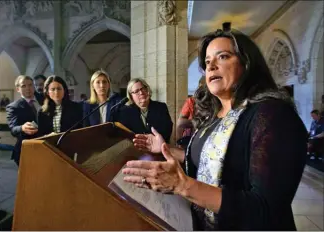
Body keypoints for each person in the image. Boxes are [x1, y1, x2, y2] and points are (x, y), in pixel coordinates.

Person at [121, 26, 308, 230]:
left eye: (223, 57)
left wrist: (183, 185)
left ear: (247, 63)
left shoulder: (272, 115)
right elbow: (209, 161)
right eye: (208, 62)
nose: (211, 67)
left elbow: (265, 209)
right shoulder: (214, 116)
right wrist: (167, 149)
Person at [112, 78, 173, 143]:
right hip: (135, 149)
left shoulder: (161, 107)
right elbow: (125, 135)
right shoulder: (125, 112)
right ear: (131, 96)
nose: (141, 92)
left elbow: (167, 129)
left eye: (143, 88)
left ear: (147, 90)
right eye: (136, 91)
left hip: (158, 147)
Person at [6, 75, 40, 166]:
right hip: (26, 149)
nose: (28, 88)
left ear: (34, 86)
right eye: (23, 86)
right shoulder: (14, 107)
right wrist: (22, 128)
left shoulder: (43, 100)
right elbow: (13, 129)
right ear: (18, 89)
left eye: (30, 85)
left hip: (46, 146)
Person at [176, 76, 206, 148]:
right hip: (192, 134)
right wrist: (179, 143)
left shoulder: (215, 101)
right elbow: (180, 123)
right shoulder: (191, 101)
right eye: (201, 87)